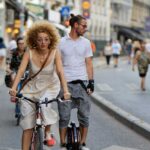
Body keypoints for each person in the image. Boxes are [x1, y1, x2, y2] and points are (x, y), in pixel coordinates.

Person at [9, 20, 71, 150]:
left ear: (51, 40)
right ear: (34, 41)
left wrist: (65, 91)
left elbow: (60, 71)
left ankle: (47, 132)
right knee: (28, 125)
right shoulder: (29, 51)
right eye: (39, 40)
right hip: (31, 87)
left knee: (44, 104)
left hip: (50, 86)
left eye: (46, 39)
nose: (43, 42)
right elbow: (20, 71)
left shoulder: (55, 52)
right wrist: (14, 88)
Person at [58, 14, 94, 150]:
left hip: (82, 84)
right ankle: (62, 143)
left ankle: (83, 143)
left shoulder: (85, 42)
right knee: (64, 116)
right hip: (65, 84)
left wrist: (91, 82)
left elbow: (89, 63)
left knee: (84, 115)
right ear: (75, 25)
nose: (85, 28)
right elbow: (58, 64)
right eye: (83, 26)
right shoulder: (61, 42)